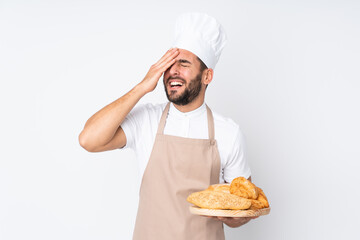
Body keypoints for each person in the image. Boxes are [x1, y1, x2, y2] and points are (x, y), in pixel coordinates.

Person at [79, 12, 256, 239]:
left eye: (183, 64)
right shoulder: (146, 120)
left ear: (207, 76)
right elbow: (88, 139)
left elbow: (243, 207)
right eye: (170, 64)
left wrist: (236, 215)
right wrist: (142, 87)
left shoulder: (229, 133)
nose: (173, 70)